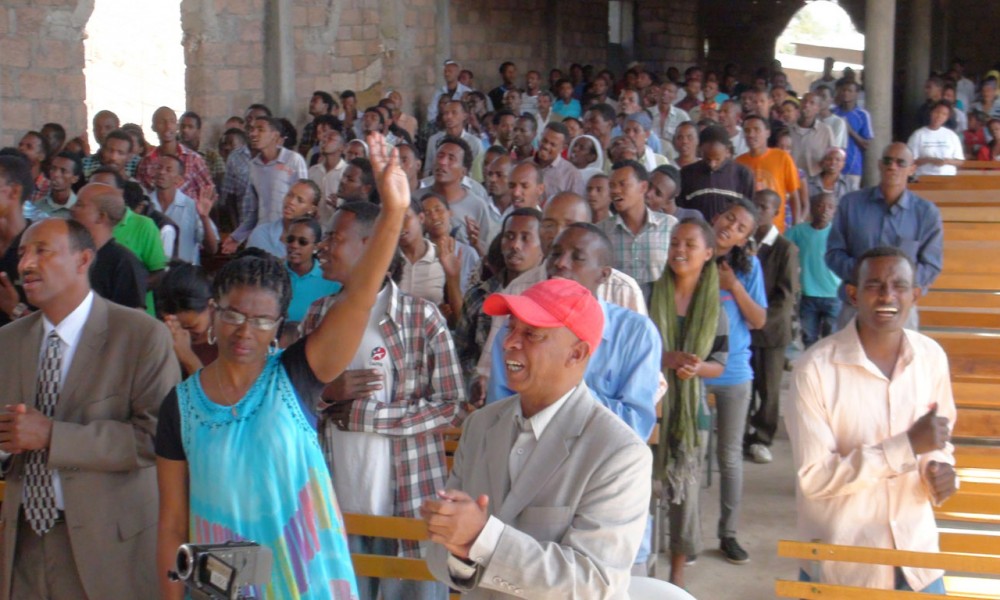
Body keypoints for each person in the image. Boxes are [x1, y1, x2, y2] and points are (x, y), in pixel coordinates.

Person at [155, 134, 408, 600]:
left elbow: (356, 299)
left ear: (278, 327)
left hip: (305, 581)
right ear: (213, 311)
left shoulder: (295, 376)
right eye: (232, 314)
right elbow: (172, 524)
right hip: (222, 589)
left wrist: (392, 214)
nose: (243, 331)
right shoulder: (181, 408)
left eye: (261, 321)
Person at [422, 278, 652, 598]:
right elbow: (436, 555)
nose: (509, 343)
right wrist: (461, 549)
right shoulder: (480, 426)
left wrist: (482, 538)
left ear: (577, 353)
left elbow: (595, 584)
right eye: (511, 328)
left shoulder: (620, 453)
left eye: (531, 334)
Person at [0, 218, 180, 599]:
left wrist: (52, 435)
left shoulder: (141, 336)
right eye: (21, 254)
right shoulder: (8, 341)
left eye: (41, 251)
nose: (25, 265)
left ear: (83, 260)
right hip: (24, 545)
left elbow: (153, 439)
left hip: (108, 549)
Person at [299, 202, 467, 600]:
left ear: (371, 245)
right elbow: (294, 404)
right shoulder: (319, 315)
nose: (323, 247)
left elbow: (451, 405)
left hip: (407, 503)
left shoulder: (420, 317)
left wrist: (370, 416)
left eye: (335, 238)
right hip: (337, 503)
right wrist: (325, 394)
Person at [787, 247, 956, 592]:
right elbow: (814, 478)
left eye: (899, 286)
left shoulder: (931, 358)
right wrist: (906, 447)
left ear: (915, 295)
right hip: (845, 561)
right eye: (874, 285)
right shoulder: (815, 369)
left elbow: (940, 440)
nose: (887, 296)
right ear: (853, 294)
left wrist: (939, 469)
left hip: (916, 556)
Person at [650, 217, 728, 587]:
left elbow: (720, 364)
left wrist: (697, 367)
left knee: (685, 496)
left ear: (708, 254)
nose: (679, 251)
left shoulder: (715, 306)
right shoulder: (650, 293)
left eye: (690, 245)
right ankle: (639, 567)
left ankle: (676, 577)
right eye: (675, 243)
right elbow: (635, 350)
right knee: (639, 489)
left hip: (691, 412)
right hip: (651, 409)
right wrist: (665, 359)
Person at [705, 198, 767, 564]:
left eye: (741, 227)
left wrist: (733, 285)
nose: (731, 227)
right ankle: (683, 537)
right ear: (716, 217)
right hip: (691, 369)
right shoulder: (691, 249)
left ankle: (728, 533)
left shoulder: (748, 267)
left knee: (729, 457)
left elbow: (758, 320)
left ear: (745, 238)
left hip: (734, 373)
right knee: (690, 454)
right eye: (729, 218)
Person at [826, 143, 943, 329]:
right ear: (880, 165)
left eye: (900, 162)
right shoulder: (851, 204)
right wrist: (865, 279)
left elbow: (931, 265)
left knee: (903, 358)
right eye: (888, 161)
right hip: (856, 306)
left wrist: (897, 287)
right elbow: (834, 253)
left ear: (912, 169)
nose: (892, 166)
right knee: (846, 358)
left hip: (901, 309)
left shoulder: (926, 213)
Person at [745, 190, 799, 465]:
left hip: (771, 333)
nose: (758, 210)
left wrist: (760, 319)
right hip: (744, 329)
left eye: (764, 206)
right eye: (755, 204)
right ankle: (743, 434)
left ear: (776, 211)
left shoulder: (784, 249)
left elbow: (786, 296)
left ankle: (762, 437)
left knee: (768, 389)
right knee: (746, 385)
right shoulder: (743, 243)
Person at [598, 159, 678, 286]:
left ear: (643, 187)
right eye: (612, 185)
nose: (615, 191)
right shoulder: (601, 232)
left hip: (659, 303)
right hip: (618, 304)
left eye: (623, 184)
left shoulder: (669, 226)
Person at [70, 183, 148, 310]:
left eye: (79, 205)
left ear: (101, 216)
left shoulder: (124, 263)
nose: (72, 209)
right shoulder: (69, 255)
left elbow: (133, 321)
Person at [787, 193, 842, 348]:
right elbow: (780, 245)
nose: (824, 210)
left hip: (833, 294)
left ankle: (827, 370)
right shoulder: (799, 231)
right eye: (820, 206)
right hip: (808, 294)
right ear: (811, 209)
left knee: (831, 338)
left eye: (830, 207)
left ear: (835, 211)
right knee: (808, 337)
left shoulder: (838, 233)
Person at [149, 155, 219, 265]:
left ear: (179, 180)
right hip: (152, 274)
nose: (162, 172)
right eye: (159, 168)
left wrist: (204, 217)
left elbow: (212, 249)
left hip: (184, 276)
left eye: (169, 169)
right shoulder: (146, 205)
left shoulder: (191, 206)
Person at [678, 124, 755, 223]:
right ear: (700, 150)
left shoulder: (742, 174)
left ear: (727, 151)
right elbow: (682, 208)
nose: (712, 164)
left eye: (717, 159)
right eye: (707, 159)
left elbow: (748, 211)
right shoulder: (686, 173)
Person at [157, 262, 218, 376]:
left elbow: (213, 393)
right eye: (173, 325)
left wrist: (187, 356)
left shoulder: (228, 342)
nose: (182, 333)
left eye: (191, 327)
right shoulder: (159, 335)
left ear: (211, 307)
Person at [283, 216, 341, 327]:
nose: (294, 245)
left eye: (302, 242)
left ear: (315, 246)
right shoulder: (273, 273)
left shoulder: (330, 280)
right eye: (290, 239)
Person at [246, 179, 320, 258]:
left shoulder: (316, 244)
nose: (291, 201)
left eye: (300, 200)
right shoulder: (261, 234)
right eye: (289, 195)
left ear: (312, 209)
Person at [907, 100, 965, 177]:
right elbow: (910, 161)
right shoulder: (918, 135)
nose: (939, 116)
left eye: (944, 114)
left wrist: (947, 161)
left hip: (948, 178)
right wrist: (929, 160)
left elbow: (960, 161)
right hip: (924, 178)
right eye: (937, 112)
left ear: (947, 118)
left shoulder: (952, 135)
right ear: (931, 112)